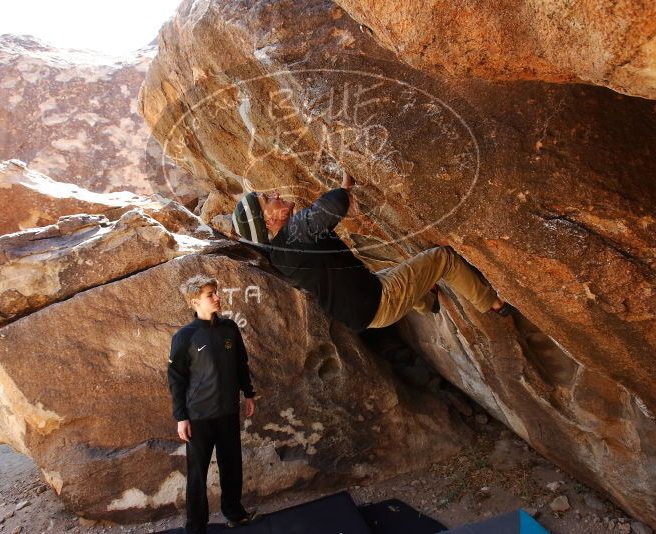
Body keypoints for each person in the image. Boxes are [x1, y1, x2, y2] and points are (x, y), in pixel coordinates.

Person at [231, 173, 511, 332]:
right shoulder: (295, 233)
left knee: (403, 270)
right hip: (379, 300)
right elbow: (332, 208)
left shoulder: (279, 254)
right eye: (268, 200)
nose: (275, 193)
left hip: (363, 307)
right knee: (443, 259)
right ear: (268, 221)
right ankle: (493, 303)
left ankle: (428, 301)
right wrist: (345, 186)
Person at [167, 275, 258, 534]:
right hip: (199, 417)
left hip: (228, 411)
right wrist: (181, 417)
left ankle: (234, 513)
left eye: (216, 292)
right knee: (197, 475)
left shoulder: (230, 328)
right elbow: (176, 379)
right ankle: (196, 527)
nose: (217, 297)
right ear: (196, 302)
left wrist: (248, 393)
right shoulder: (185, 337)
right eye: (210, 295)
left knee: (232, 465)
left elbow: (241, 364)